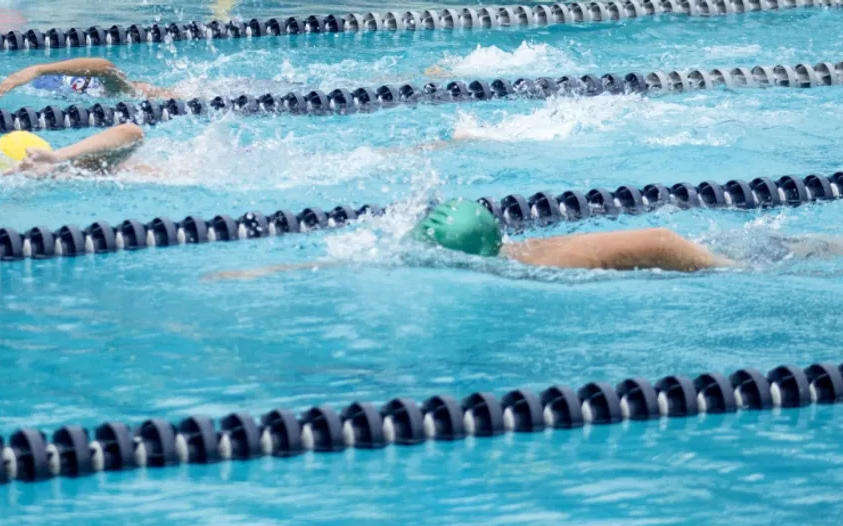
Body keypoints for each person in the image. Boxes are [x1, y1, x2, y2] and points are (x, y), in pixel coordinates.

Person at [207, 199, 843, 280]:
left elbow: (658, 236)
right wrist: (270, 271)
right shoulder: (507, 255)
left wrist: (726, 270)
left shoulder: (522, 267)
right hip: (689, 244)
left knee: (786, 257)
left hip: (705, 255)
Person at [0, 124, 147, 177]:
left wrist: (59, 157)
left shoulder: (79, 167)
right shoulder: (82, 170)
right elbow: (132, 132)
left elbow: (131, 133)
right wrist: (60, 157)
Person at [0, 58, 174, 100]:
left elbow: (106, 67)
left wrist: (39, 70)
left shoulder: (123, 91)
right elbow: (106, 68)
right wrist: (38, 70)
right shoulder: (121, 90)